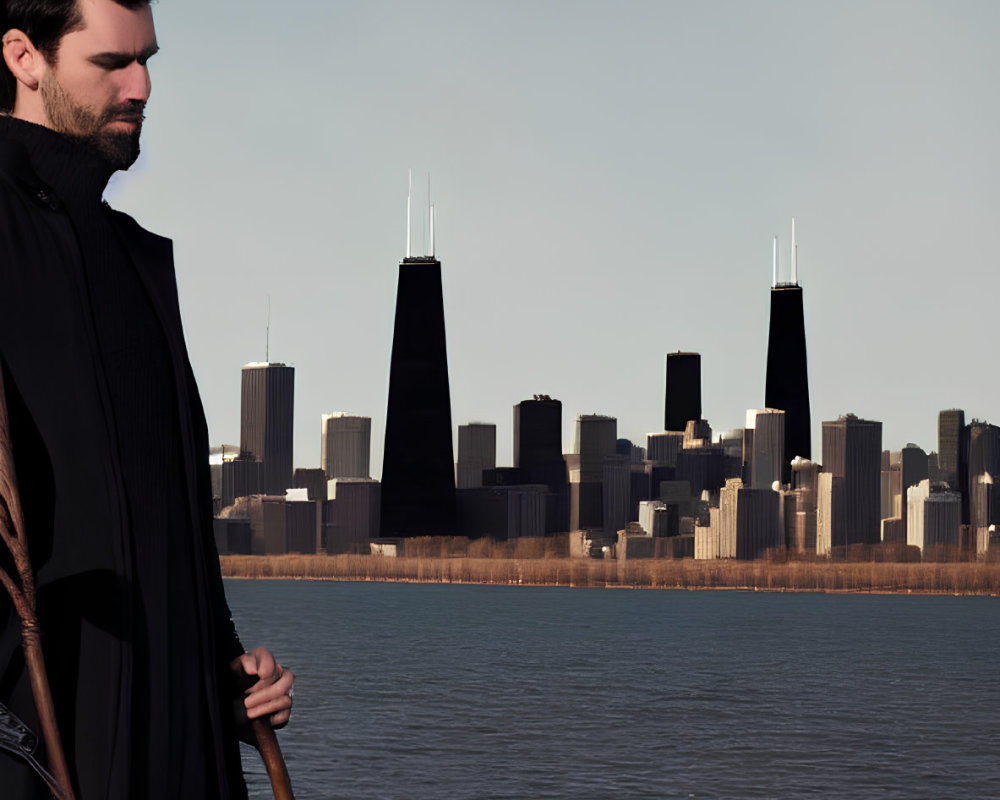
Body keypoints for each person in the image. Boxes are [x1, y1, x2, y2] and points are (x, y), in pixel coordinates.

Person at [0, 0, 294, 796]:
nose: (141, 87)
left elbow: (163, 516)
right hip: (40, 750)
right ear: (24, 57)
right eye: (110, 64)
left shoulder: (134, 261)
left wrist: (225, 667)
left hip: (176, 747)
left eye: (148, 61)